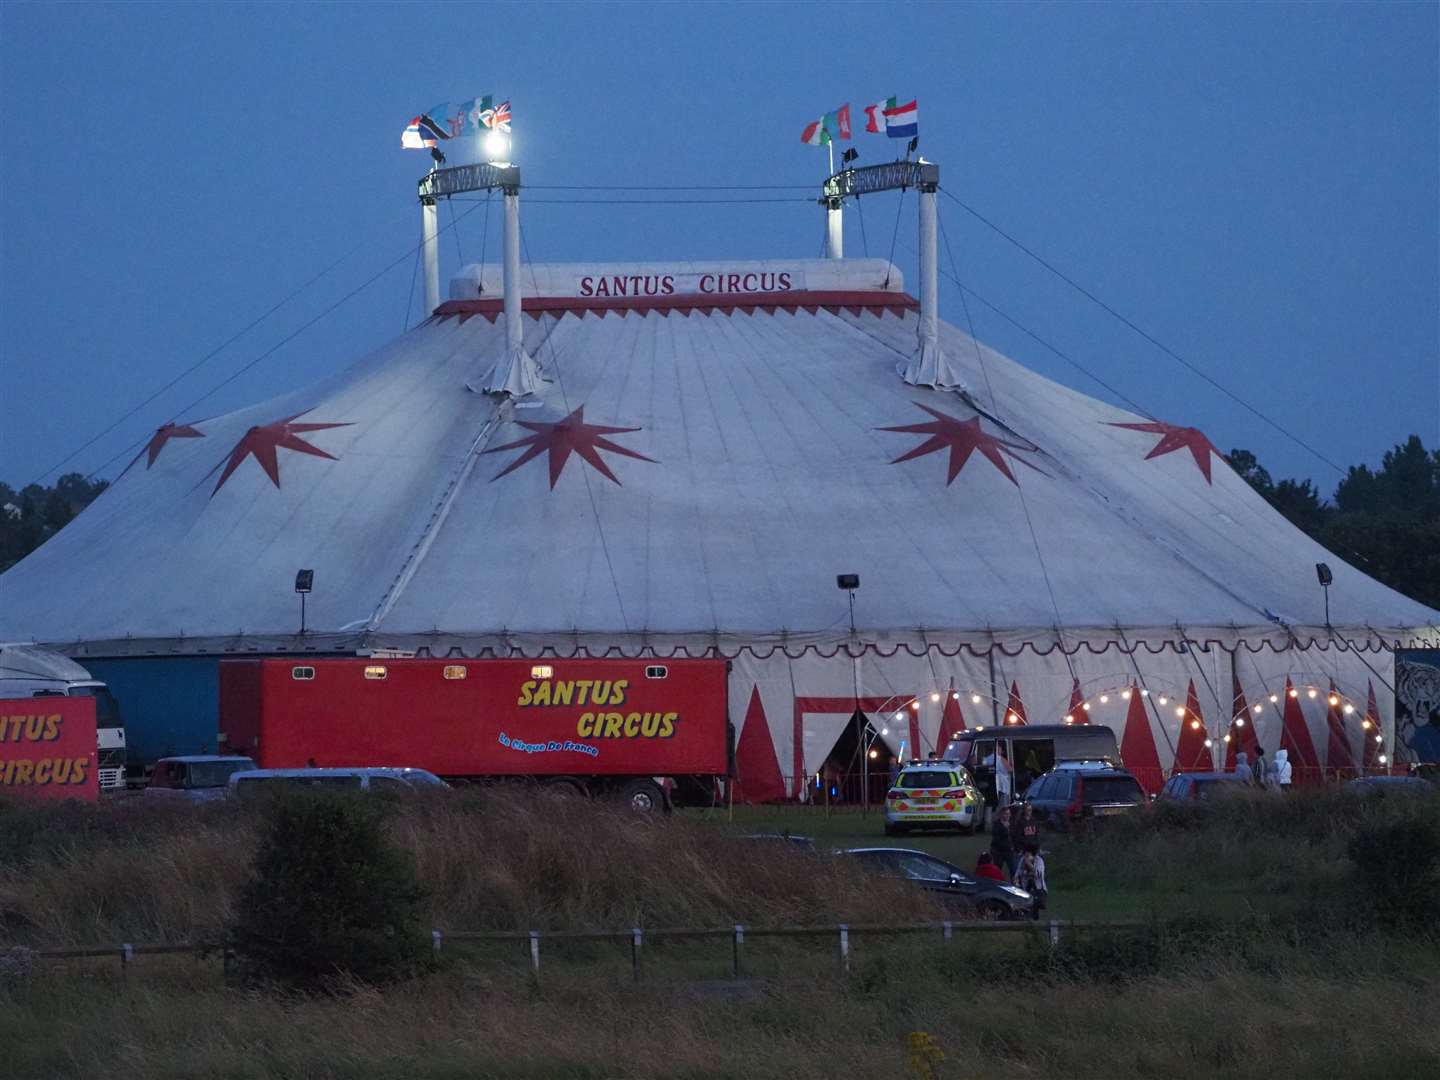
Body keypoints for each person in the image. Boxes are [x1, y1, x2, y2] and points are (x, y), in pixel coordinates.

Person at [1015, 843, 1047, 920]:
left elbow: (1039, 874)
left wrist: (1029, 864)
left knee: (1034, 906)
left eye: (1028, 853)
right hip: (1024, 886)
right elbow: (1018, 872)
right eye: (1025, 853)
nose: (1026, 855)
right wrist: (1017, 880)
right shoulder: (1022, 860)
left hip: (1036, 888)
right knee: (1025, 907)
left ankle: (1035, 922)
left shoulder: (1039, 861)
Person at [989, 805, 1017, 880]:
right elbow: (997, 839)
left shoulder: (1012, 824)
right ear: (1001, 814)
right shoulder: (997, 825)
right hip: (999, 852)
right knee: (997, 870)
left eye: (1009, 814)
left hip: (1009, 851)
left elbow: (1015, 837)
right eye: (1006, 814)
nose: (1007, 816)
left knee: (1013, 869)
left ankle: (1014, 885)